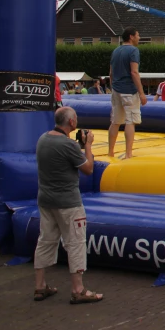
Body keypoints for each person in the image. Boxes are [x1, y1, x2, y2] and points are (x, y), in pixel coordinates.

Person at [33, 107, 103, 304]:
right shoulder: (68, 145)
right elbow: (88, 169)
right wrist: (88, 146)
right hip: (68, 203)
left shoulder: (43, 139)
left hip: (46, 200)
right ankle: (78, 289)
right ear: (72, 123)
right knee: (75, 243)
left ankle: (40, 285)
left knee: (45, 241)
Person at [108, 27, 147, 159]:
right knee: (130, 121)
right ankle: (129, 153)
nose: (139, 38)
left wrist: (113, 87)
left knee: (115, 121)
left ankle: (110, 152)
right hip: (129, 91)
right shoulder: (133, 51)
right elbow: (134, 72)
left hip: (116, 89)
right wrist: (141, 93)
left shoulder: (116, 51)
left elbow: (111, 73)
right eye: (138, 35)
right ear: (131, 36)